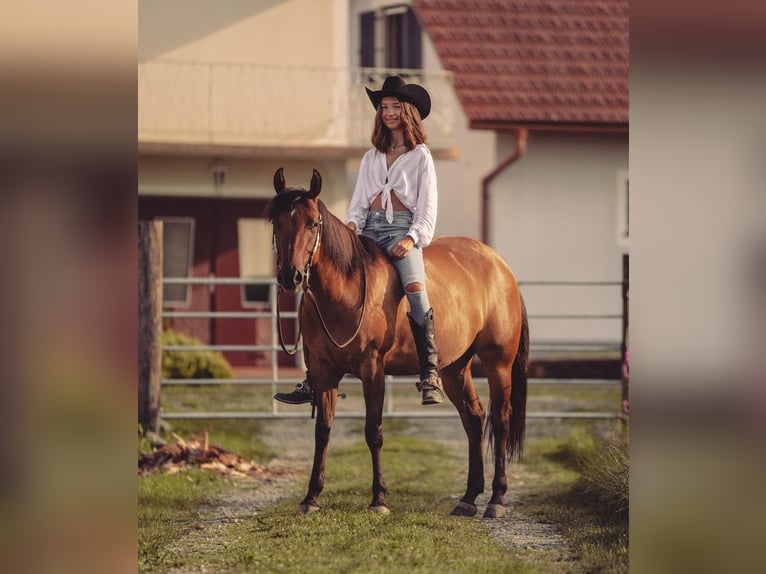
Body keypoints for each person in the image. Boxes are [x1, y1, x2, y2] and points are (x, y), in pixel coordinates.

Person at [274, 75, 445, 406]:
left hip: (403, 230)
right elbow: (359, 202)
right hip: (369, 232)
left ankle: (430, 372)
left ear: (407, 111)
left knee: (415, 287)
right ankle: (314, 376)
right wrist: (352, 225)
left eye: (395, 107)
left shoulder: (421, 156)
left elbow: (428, 207)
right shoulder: (372, 156)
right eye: (384, 107)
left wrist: (412, 239)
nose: (389, 113)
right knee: (321, 287)